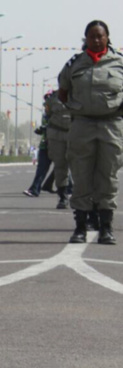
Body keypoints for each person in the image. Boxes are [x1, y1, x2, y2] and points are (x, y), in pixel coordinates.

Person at [58, 20, 123, 245]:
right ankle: (80, 228)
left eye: (100, 36)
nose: (96, 40)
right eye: (92, 36)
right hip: (82, 125)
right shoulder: (74, 64)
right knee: (81, 176)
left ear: (107, 38)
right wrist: (79, 110)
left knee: (108, 177)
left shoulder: (119, 63)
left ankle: (106, 228)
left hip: (111, 125)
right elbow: (63, 92)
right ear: (85, 38)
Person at [43, 90, 72, 209]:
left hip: (76, 133)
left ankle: (84, 200)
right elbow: (48, 112)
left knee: (82, 167)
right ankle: (63, 196)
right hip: (57, 133)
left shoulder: (83, 94)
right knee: (60, 166)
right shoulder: (54, 97)